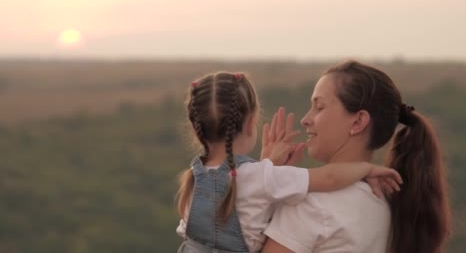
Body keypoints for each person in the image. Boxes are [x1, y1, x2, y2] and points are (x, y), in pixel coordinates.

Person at [176, 71, 402, 253]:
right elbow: (329, 178)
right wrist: (365, 169)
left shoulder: (196, 179)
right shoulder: (384, 202)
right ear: (250, 124)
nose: (305, 119)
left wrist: (270, 172)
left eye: (319, 107)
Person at [262, 60, 451, 253]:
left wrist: (263, 181)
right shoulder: (390, 202)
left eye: (319, 107)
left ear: (358, 121)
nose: (305, 120)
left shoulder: (309, 204)